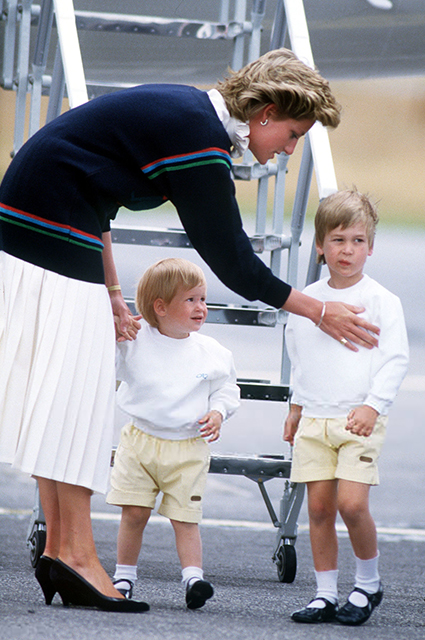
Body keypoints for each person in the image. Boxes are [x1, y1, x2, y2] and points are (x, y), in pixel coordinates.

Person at [0, 47, 379, 610]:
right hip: (49, 227)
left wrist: (110, 290)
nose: (288, 151)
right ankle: (75, 555)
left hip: (42, 221)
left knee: (62, 395)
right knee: (73, 396)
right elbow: (229, 257)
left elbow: (97, 190)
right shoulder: (200, 139)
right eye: (293, 134)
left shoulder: (189, 116)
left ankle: (62, 550)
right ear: (266, 112)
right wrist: (318, 308)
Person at [283, 189, 409, 626]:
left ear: (370, 247)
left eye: (357, 241)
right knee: (318, 508)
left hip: (359, 419)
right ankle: (324, 594)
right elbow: (300, 356)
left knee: (352, 505)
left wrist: (373, 407)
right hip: (315, 417)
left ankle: (368, 584)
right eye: (337, 240)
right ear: (320, 245)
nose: (347, 250)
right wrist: (297, 405)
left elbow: (395, 360)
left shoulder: (382, 301)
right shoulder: (308, 300)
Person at [106, 258, 240, 609]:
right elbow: (102, 363)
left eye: (203, 298)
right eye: (191, 300)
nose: (201, 308)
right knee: (134, 513)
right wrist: (114, 332)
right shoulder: (133, 343)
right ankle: (124, 576)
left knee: (185, 518)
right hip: (140, 442)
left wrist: (218, 411)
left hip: (188, 447)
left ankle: (193, 578)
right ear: (160, 307)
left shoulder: (211, 351)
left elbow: (227, 389)